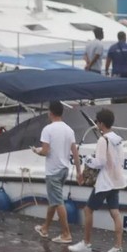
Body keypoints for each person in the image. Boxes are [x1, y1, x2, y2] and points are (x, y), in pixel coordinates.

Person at [69, 108, 127, 252]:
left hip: (105, 182)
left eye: (97, 122)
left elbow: (100, 162)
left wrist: (88, 159)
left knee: (88, 210)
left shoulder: (103, 139)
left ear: (101, 123)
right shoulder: (118, 139)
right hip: (117, 181)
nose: (96, 124)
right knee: (115, 212)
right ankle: (118, 247)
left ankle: (86, 243)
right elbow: (119, 159)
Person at [32, 101, 82, 243]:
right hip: (64, 169)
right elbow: (75, 153)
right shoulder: (69, 130)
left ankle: (66, 234)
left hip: (53, 170)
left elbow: (45, 151)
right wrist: (79, 171)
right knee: (54, 200)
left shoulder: (48, 129)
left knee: (57, 201)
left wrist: (37, 151)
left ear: (50, 112)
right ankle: (45, 228)